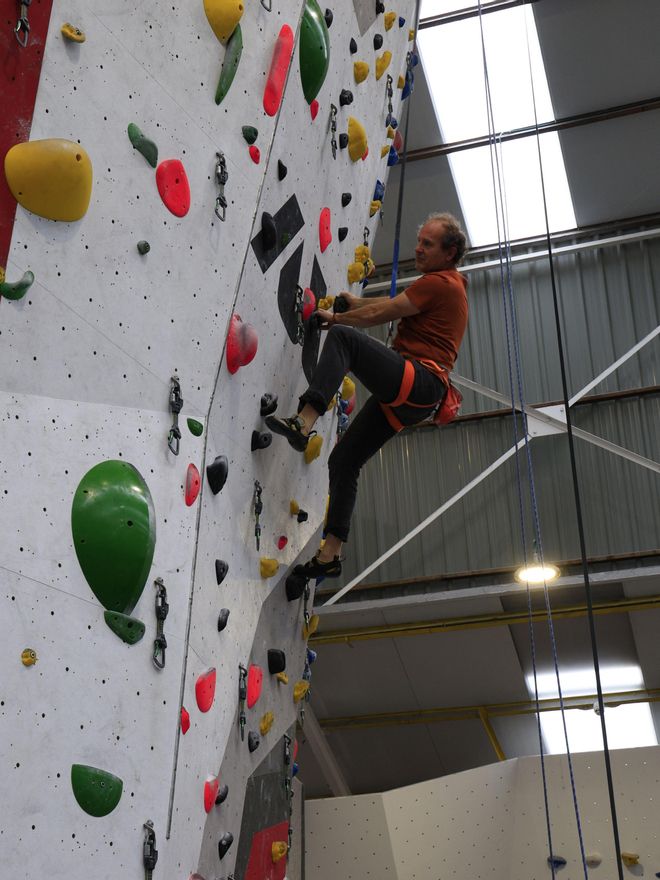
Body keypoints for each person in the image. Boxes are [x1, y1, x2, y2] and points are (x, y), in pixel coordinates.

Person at [266, 212, 469, 578]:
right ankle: (330, 555)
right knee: (344, 462)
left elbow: (387, 312)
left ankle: (303, 421)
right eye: (419, 240)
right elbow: (392, 308)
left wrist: (338, 319)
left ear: (450, 251)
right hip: (418, 397)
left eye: (427, 244)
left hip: (421, 381)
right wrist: (353, 304)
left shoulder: (441, 283)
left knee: (344, 339)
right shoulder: (443, 286)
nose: (418, 249)